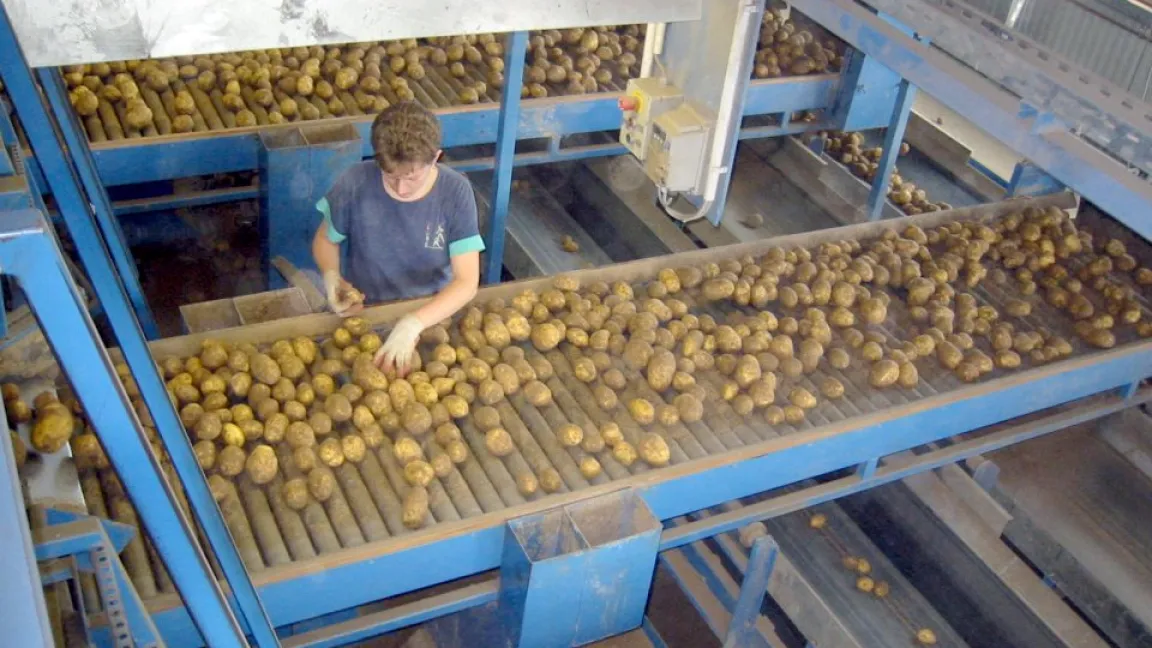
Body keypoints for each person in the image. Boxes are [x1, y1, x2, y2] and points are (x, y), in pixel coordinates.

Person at [312, 102, 484, 375]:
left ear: (436, 157)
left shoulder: (455, 192)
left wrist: (413, 323)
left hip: (432, 312)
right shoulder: (356, 181)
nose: (401, 188)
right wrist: (331, 276)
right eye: (391, 176)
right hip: (366, 312)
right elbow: (325, 240)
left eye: (412, 178)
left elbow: (466, 281)